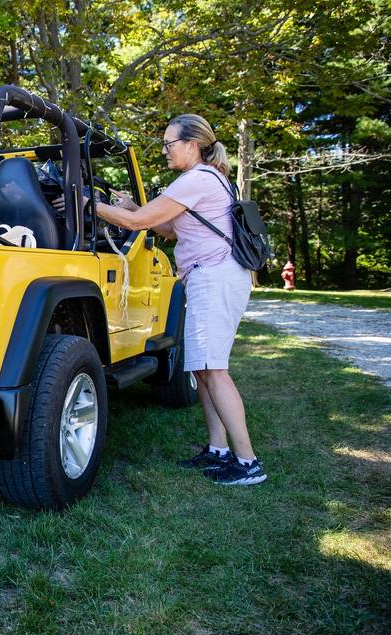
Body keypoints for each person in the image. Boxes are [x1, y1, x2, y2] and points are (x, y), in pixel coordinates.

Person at [87, 114, 267, 486]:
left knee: (214, 370)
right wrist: (135, 206)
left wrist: (89, 203)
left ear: (191, 145)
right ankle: (218, 450)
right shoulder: (207, 179)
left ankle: (248, 462)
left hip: (214, 278)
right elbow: (167, 228)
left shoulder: (197, 179)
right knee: (202, 368)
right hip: (210, 277)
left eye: (170, 143)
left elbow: (138, 225)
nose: (166, 150)